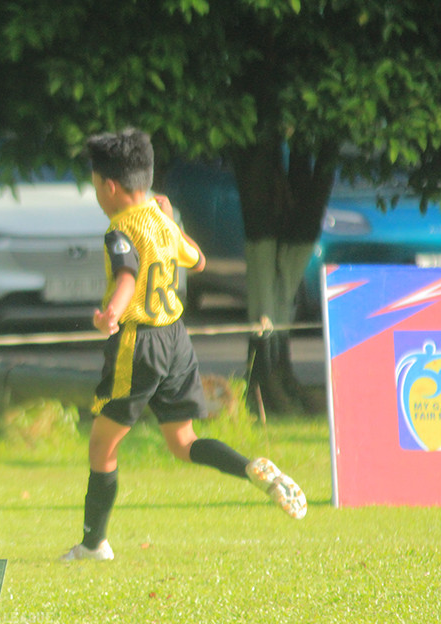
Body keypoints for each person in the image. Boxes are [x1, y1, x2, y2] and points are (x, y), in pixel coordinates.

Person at [61, 128, 306, 562]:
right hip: (176, 341)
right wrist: (171, 220)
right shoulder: (161, 221)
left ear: (109, 186)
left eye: (96, 185)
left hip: (138, 341)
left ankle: (93, 544)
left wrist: (111, 313)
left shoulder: (120, 229)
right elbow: (198, 258)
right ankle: (250, 468)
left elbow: (126, 276)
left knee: (102, 445)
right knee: (182, 441)